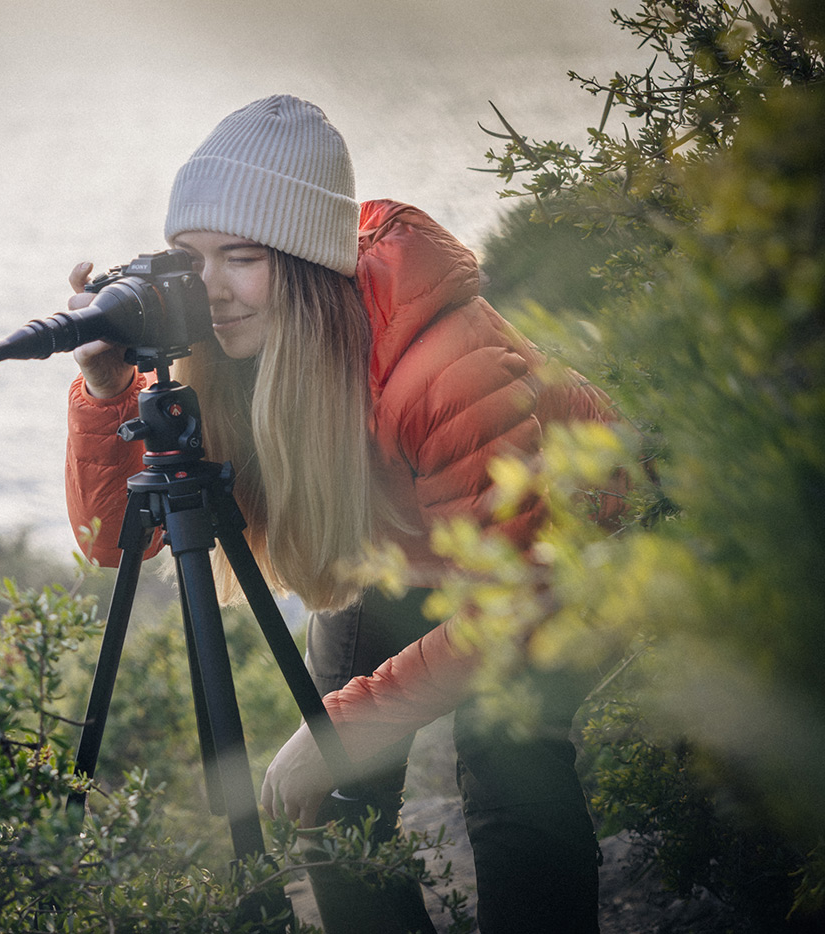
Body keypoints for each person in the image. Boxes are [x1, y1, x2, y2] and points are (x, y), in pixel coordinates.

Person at [62, 94, 618, 934]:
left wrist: (345, 726)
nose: (209, 289)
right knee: (329, 797)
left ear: (306, 261)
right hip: (403, 538)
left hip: (560, 544)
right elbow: (113, 541)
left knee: (509, 761)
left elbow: (513, 607)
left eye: (241, 257)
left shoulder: (446, 363)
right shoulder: (225, 354)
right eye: (189, 257)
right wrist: (108, 393)